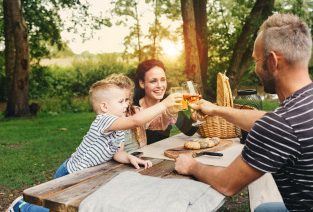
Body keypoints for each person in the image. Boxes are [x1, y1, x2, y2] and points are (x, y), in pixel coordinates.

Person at [175, 13, 313, 212]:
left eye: (256, 60)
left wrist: (191, 166)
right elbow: (270, 121)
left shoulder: (281, 125)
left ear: (273, 61)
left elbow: (227, 184)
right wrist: (216, 109)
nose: (255, 68)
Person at [7, 76, 182, 212]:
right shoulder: (103, 120)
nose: (126, 104)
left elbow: (117, 152)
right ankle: (21, 207)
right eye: (121, 101)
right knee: (60, 208)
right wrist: (165, 103)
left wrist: (130, 158)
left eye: (127, 100)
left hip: (88, 174)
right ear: (104, 107)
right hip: (70, 173)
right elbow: (136, 121)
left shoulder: (119, 124)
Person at [133, 59, 198, 144]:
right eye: (153, 81)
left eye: (163, 80)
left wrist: (195, 117)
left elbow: (189, 131)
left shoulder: (169, 103)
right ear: (142, 83)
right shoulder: (132, 106)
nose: (160, 86)